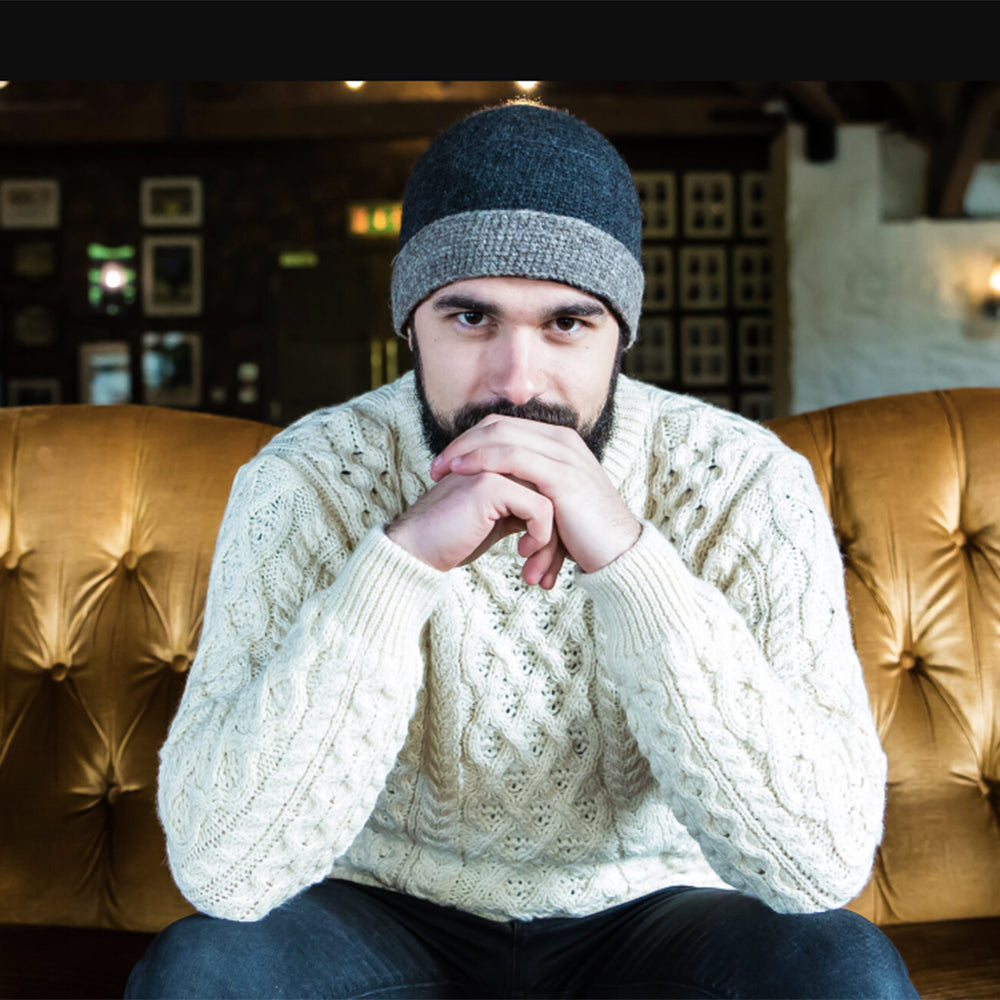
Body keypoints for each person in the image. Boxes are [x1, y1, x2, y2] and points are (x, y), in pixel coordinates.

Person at [127, 101, 918, 999]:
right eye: (470, 317)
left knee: (842, 968)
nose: (516, 379)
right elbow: (224, 873)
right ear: (410, 322)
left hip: (658, 917)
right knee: (202, 973)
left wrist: (630, 561)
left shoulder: (743, 481)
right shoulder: (302, 479)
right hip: (381, 914)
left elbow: (819, 864)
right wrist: (400, 564)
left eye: (567, 323)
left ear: (621, 332)